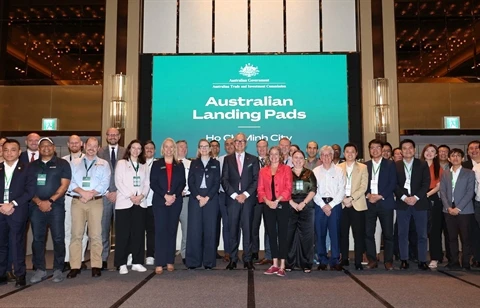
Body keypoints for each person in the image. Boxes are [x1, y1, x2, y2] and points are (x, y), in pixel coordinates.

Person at [66, 137, 111, 279]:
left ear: (98, 148)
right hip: (78, 201)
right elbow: (70, 181)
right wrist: (82, 193)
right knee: (76, 234)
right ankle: (75, 266)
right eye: (89, 145)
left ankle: (96, 265)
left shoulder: (103, 164)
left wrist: (90, 194)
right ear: (84, 146)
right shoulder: (74, 163)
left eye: (95, 146)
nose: (91, 148)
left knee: (96, 234)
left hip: (96, 201)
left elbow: (105, 183)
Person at [29, 137, 71, 283]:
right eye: (43, 146)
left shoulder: (63, 164)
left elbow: (64, 186)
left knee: (58, 238)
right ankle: (40, 269)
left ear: (54, 147)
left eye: (49, 145)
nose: (46, 148)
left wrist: (50, 201)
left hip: (56, 206)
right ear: (38, 149)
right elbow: (28, 188)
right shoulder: (31, 166)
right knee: (38, 239)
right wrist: (40, 202)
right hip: (36, 207)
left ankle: (58, 269)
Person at [0, 139, 36, 287]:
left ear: (19, 152)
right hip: (0, 210)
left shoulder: (27, 168)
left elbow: (30, 191)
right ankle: (2, 274)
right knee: (1, 245)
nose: (9, 153)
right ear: (2, 151)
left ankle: (20, 274)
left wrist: (12, 204)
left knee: (17, 244)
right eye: (6, 150)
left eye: (13, 150)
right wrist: (2, 206)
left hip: (17, 211)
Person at [222, 133, 259, 270]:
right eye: (237, 141)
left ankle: (248, 259)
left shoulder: (253, 159)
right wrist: (234, 195)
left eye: (242, 141)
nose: (239, 143)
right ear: (234, 143)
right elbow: (224, 179)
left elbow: (256, 180)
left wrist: (245, 194)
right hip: (232, 200)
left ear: (246, 142)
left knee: (248, 231)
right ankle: (233, 259)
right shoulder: (227, 159)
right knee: (233, 231)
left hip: (248, 200)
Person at [150, 138, 186, 274]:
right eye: (166, 147)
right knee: (160, 232)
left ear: (174, 149)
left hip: (175, 202)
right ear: (162, 149)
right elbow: (153, 183)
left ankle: (170, 261)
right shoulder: (156, 164)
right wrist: (165, 196)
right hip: (160, 201)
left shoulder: (179, 165)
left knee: (172, 231)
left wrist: (173, 196)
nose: (169, 149)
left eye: (171, 147)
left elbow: (182, 183)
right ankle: (159, 262)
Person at [114, 140, 150, 275]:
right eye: (133, 148)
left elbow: (147, 183)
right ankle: (121, 263)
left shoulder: (143, 165)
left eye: (139, 148)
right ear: (129, 149)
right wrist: (131, 196)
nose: (136, 150)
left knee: (138, 233)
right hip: (124, 203)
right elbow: (118, 182)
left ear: (141, 151)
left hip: (140, 203)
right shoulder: (122, 163)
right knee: (123, 234)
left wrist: (141, 196)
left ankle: (137, 262)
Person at [395, 139, 430, 271]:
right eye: (404, 148)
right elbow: (394, 184)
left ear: (414, 150)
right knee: (402, 233)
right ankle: (404, 259)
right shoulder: (396, 165)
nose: (408, 150)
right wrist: (404, 197)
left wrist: (415, 197)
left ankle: (422, 260)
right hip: (402, 204)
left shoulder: (422, 164)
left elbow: (426, 183)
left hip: (419, 203)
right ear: (401, 151)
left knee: (422, 234)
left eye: (410, 148)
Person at [257, 146, 292, 277]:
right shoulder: (263, 171)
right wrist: (267, 201)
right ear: (268, 156)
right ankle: (274, 263)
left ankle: (282, 265)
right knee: (271, 234)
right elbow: (260, 189)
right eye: (271, 154)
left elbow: (288, 188)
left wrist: (277, 201)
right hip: (268, 206)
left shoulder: (286, 169)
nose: (274, 156)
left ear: (280, 155)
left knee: (282, 234)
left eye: (276, 154)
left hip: (282, 204)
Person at [185, 139, 220, 269]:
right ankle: (193, 261)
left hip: (211, 200)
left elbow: (217, 182)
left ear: (210, 149)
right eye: (201, 147)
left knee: (210, 231)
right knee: (194, 231)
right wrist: (199, 197)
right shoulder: (194, 163)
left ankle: (209, 262)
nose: (204, 149)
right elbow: (191, 181)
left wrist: (207, 197)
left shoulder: (216, 163)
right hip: (196, 200)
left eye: (206, 146)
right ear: (199, 149)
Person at [440, 148, 475, 270]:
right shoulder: (445, 173)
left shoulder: (469, 173)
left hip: (465, 210)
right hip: (448, 210)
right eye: (453, 156)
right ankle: (454, 262)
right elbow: (442, 192)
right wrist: (448, 207)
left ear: (463, 158)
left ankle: (466, 263)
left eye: (458, 156)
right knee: (451, 237)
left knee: (465, 238)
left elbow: (470, 192)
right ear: (449, 159)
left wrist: (458, 208)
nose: (455, 158)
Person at [364, 139, 397, 270]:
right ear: (369, 150)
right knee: (368, 233)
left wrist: (380, 195)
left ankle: (388, 261)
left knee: (388, 234)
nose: (375, 150)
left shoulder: (390, 164)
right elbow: (361, 184)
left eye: (378, 147)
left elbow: (393, 183)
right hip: (369, 203)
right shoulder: (365, 166)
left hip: (385, 202)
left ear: (382, 149)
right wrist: (368, 195)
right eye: (372, 148)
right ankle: (372, 260)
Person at [312, 145, 345, 271]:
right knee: (320, 233)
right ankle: (322, 260)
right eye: (323, 155)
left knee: (335, 233)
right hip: (320, 205)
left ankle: (335, 259)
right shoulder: (315, 171)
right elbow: (314, 191)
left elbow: (341, 191)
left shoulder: (339, 171)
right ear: (320, 157)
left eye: (328, 155)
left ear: (332, 156)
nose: (326, 157)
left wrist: (330, 205)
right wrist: (323, 205)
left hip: (334, 205)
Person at [98, 128, 125, 270]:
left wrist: (118, 192)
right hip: (104, 195)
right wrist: (108, 192)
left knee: (121, 229)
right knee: (103, 229)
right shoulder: (99, 152)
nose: (113, 137)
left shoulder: (125, 151)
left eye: (115, 134)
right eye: (110, 134)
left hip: (121, 196)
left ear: (119, 136)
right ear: (107, 136)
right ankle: (103, 259)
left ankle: (120, 260)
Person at [338, 143, 368, 270]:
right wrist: (344, 199)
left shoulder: (363, 167)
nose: (349, 154)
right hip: (342, 204)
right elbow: (336, 186)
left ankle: (358, 261)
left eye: (352, 152)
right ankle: (344, 258)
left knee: (358, 234)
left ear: (356, 154)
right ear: (344, 154)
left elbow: (363, 187)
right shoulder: (338, 167)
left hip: (357, 204)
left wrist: (351, 198)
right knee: (343, 233)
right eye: (347, 151)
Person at [286, 150, 316, 272]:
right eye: (296, 157)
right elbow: (283, 190)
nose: (298, 160)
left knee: (307, 237)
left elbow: (313, 189)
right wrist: (292, 203)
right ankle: (289, 263)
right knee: (289, 235)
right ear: (292, 159)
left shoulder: (310, 173)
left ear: (304, 160)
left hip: (307, 205)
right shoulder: (286, 172)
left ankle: (306, 264)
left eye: (300, 158)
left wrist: (303, 203)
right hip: (290, 205)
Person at [62, 135, 88, 271]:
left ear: (81, 144)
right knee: (67, 229)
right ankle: (67, 259)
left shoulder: (88, 159)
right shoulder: (63, 161)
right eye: (71, 143)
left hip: (83, 198)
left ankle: (80, 258)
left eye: (76, 142)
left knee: (82, 230)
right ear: (68, 144)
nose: (74, 144)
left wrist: (86, 194)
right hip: (67, 197)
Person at [420, 144, 446, 269]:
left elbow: (439, 186)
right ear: (423, 152)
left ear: (436, 155)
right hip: (419, 198)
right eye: (427, 151)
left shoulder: (438, 168)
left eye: (432, 151)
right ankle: (420, 256)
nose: (429, 153)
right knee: (421, 229)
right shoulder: (418, 165)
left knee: (434, 230)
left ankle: (435, 257)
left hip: (433, 198)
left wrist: (426, 195)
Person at [252, 139, 272, 265]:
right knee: (254, 227)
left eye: (264, 147)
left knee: (269, 228)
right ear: (256, 148)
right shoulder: (252, 161)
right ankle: (254, 252)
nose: (262, 149)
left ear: (268, 148)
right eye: (259, 147)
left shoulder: (273, 161)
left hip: (269, 200)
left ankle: (269, 254)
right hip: (255, 199)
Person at [215, 138, 234, 262]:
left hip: (238, 196)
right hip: (223, 195)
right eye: (226, 144)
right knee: (226, 224)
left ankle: (235, 250)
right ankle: (228, 252)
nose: (229, 146)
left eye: (231, 143)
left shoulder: (242, 159)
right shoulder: (220, 160)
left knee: (237, 224)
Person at [462, 140, 480, 268]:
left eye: (477, 148)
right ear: (468, 152)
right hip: (469, 205)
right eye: (471, 149)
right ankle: (476, 257)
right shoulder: (464, 166)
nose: (474, 150)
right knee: (473, 232)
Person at [176, 140, 191, 265]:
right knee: (170, 229)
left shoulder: (191, 163)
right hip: (173, 200)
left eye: (185, 147)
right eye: (181, 147)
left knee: (186, 230)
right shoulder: (170, 162)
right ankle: (168, 255)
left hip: (187, 199)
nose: (184, 149)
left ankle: (185, 254)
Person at [144, 140, 156, 265]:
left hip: (153, 203)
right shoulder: (138, 164)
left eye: (151, 148)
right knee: (137, 230)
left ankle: (150, 254)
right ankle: (134, 254)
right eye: (147, 148)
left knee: (151, 230)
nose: (149, 150)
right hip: (139, 202)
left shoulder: (158, 164)